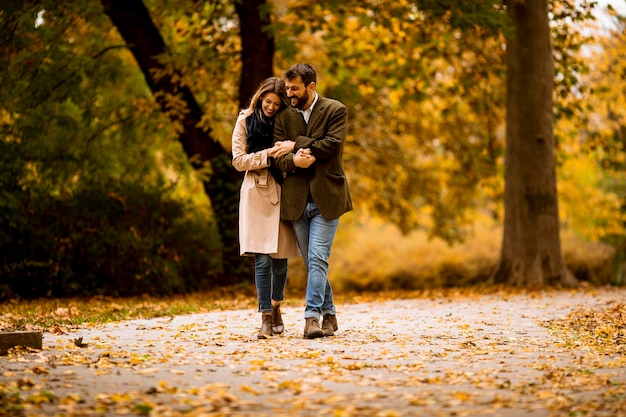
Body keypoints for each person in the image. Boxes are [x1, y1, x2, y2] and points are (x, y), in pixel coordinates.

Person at [273, 63, 353, 339]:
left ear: (311, 86)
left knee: (318, 258)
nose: (290, 93)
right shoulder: (283, 116)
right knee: (312, 261)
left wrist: (295, 144)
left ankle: (312, 318)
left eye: (295, 88)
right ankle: (329, 314)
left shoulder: (335, 110)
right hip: (296, 198)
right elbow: (277, 156)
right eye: (287, 88)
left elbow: (332, 145)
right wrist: (294, 160)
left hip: (327, 196)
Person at [231, 77, 300, 339]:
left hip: (283, 190)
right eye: (267, 101)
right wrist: (268, 155)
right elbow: (238, 161)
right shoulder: (245, 120)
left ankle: (276, 305)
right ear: (260, 97)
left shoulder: (284, 123)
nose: (270, 107)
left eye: (276, 103)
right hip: (256, 193)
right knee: (261, 259)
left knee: (280, 260)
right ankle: (265, 317)